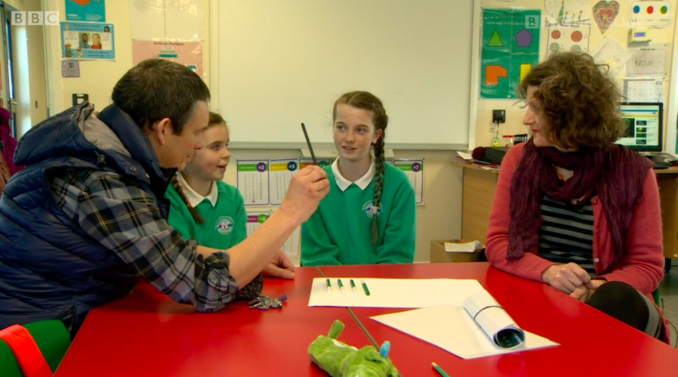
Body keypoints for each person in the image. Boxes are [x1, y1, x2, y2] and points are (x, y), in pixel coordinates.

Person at [0, 59, 329, 335]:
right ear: (163, 129)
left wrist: (252, 257)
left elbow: (162, 248)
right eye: (197, 133)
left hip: (64, 315)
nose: (198, 144)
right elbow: (204, 287)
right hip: (42, 335)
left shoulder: (107, 153)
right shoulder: (99, 180)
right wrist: (289, 213)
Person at [485, 52, 668, 342]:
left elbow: (647, 266)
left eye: (537, 108)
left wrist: (594, 287)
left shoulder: (634, 172)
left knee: (614, 299)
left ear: (572, 114)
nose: (526, 118)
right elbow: (498, 244)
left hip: (611, 304)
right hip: (540, 291)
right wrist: (548, 272)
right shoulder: (518, 160)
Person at [166, 111, 294, 279]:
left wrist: (258, 258)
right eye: (215, 147)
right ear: (188, 151)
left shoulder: (232, 198)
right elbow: (181, 254)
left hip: (226, 288)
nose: (227, 154)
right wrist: (257, 257)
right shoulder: (167, 197)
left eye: (227, 145)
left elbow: (240, 255)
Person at [301, 91, 415, 266]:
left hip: (382, 289)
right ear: (333, 129)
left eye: (360, 130)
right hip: (330, 288)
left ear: (376, 135)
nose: (349, 138)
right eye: (341, 127)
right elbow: (317, 258)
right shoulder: (315, 185)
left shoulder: (398, 185)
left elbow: (396, 258)